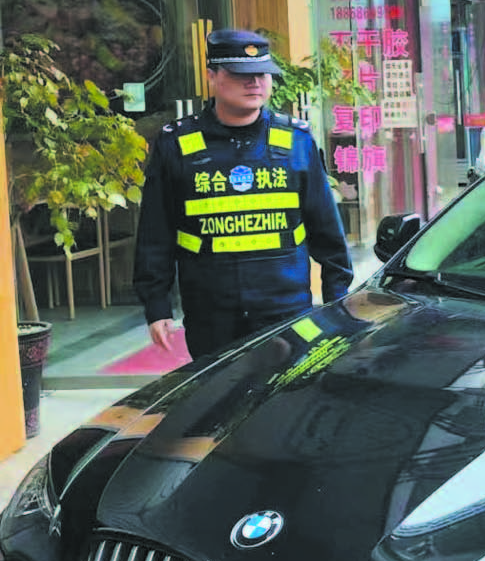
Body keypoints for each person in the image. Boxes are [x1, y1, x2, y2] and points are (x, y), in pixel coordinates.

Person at [134, 29, 353, 360]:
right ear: (212, 76)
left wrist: (338, 297)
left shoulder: (296, 140)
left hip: (285, 307)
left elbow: (326, 227)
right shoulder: (176, 144)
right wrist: (156, 305)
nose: (254, 83)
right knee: (218, 392)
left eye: (262, 74)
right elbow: (155, 232)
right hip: (210, 311)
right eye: (241, 75)